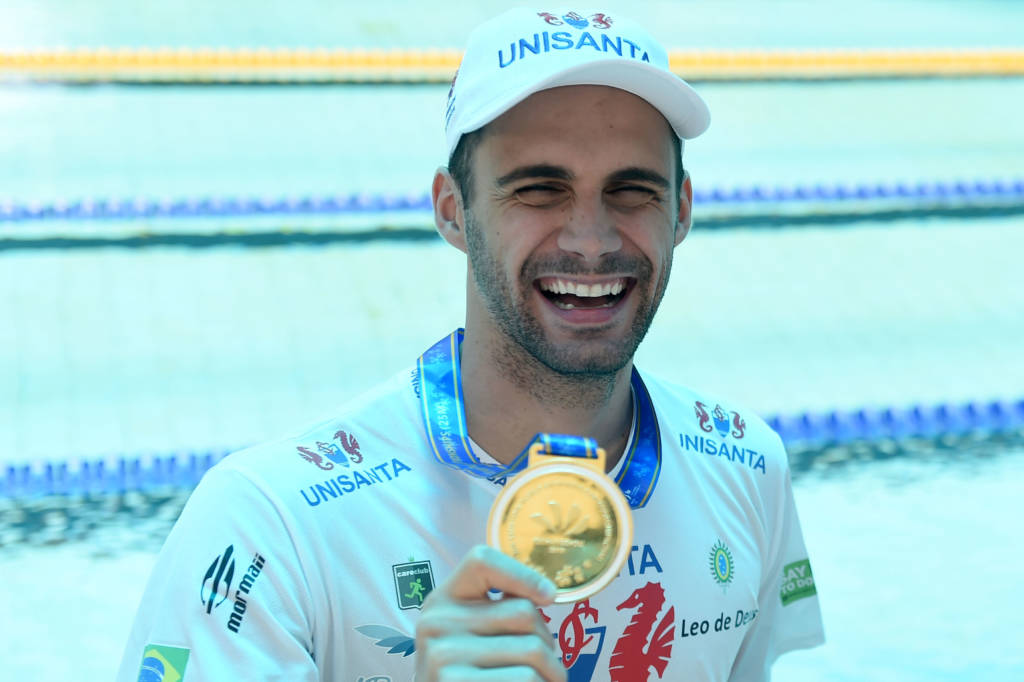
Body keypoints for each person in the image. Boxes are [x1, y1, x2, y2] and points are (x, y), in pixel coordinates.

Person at [117, 8, 824, 682]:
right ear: (453, 211)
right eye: (539, 189)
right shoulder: (271, 525)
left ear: (682, 211)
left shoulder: (746, 470)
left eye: (632, 190)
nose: (591, 239)